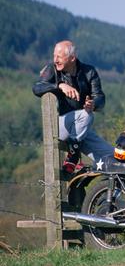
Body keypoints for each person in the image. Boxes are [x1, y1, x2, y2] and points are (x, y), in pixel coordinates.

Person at [33, 40, 113, 173]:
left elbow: (100, 97)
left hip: (80, 130)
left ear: (72, 58)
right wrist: (59, 85)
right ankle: (73, 156)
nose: (55, 60)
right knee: (86, 115)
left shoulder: (89, 71)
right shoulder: (51, 69)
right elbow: (37, 88)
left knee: (111, 156)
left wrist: (93, 104)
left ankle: (109, 191)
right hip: (60, 126)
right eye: (54, 56)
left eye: (59, 56)